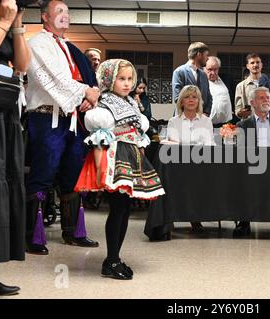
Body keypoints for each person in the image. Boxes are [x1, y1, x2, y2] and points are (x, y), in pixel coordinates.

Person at [74, 59, 165, 280]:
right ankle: (111, 260)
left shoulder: (130, 103)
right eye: (121, 79)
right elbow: (98, 138)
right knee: (118, 208)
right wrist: (99, 172)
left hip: (131, 155)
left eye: (129, 79)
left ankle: (114, 258)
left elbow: (138, 134)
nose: (126, 83)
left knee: (124, 209)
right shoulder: (104, 103)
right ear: (108, 79)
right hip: (114, 157)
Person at [25, 0, 100, 255]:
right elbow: (55, 79)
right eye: (59, 11)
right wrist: (86, 93)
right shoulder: (36, 44)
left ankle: (73, 233)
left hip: (72, 120)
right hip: (47, 118)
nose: (65, 16)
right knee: (43, 173)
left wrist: (90, 98)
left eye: (68, 12)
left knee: (73, 174)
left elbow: (87, 80)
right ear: (44, 17)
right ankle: (32, 236)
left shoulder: (71, 48)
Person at [0, 0, 30, 295]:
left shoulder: (5, 13)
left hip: (3, 110)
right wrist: (2, 23)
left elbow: (23, 64)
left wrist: (15, 26)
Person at [233, 87, 270, 237]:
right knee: (242, 179)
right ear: (252, 102)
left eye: (268, 97)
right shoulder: (242, 126)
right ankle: (244, 222)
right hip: (252, 168)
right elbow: (239, 153)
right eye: (262, 98)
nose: (266, 100)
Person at [165, 85, 214, 232]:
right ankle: (171, 216)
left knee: (199, 178)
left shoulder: (206, 121)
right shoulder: (174, 121)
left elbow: (210, 145)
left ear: (199, 101)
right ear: (181, 102)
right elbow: (173, 146)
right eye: (187, 97)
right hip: (179, 165)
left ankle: (195, 217)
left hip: (200, 165)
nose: (191, 100)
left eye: (194, 97)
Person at [172, 42, 212, 116]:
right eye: (206, 55)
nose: (208, 58)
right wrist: (193, 114)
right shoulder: (179, 72)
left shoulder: (203, 75)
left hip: (201, 119)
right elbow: (177, 98)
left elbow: (209, 97)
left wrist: (206, 112)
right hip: (183, 119)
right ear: (199, 55)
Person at [204, 56, 232, 127]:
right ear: (203, 68)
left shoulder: (227, 79)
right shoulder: (199, 82)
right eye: (209, 69)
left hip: (226, 125)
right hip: (207, 125)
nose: (213, 73)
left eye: (215, 69)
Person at [235, 53, 263, 120]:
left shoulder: (269, 83)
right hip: (249, 125)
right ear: (247, 66)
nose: (255, 65)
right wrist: (241, 112)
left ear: (261, 65)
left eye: (258, 62)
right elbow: (238, 109)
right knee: (250, 131)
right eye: (252, 63)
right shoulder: (240, 86)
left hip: (265, 123)